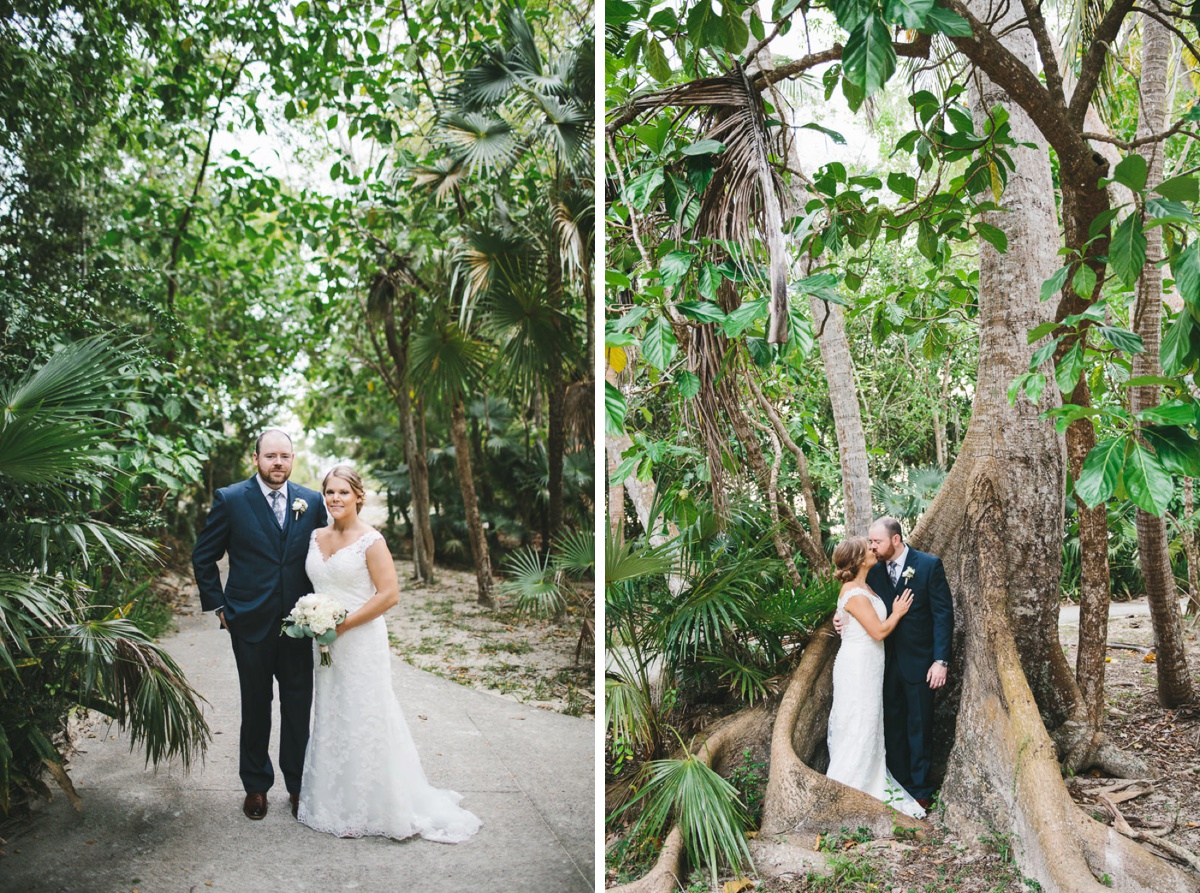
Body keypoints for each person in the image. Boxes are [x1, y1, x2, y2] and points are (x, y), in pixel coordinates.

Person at [297, 464, 481, 843]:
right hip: (325, 642)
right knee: (332, 715)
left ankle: (379, 804)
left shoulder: (371, 540)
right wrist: (313, 620)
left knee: (366, 714)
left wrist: (342, 625)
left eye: (343, 492)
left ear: (358, 497)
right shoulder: (315, 536)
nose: (335, 499)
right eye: (329, 492)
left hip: (359, 640)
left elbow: (389, 594)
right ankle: (333, 802)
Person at [191, 429, 328, 821]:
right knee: (255, 705)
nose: (278, 463)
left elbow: (324, 554)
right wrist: (219, 607)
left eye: (285, 456)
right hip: (248, 622)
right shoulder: (231, 499)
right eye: (270, 456)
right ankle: (256, 786)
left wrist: (325, 608)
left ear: (292, 459)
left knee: (298, 706)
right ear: (256, 459)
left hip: (300, 626)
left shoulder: (312, 501)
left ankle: (299, 786)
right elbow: (204, 557)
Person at [826, 536, 925, 818]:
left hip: (869, 665)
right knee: (857, 723)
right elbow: (879, 632)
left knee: (869, 723)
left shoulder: (863, 585)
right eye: (867, 548)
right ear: (858, 560)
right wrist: (897, 613)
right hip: (857, 667)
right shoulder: (855, 593)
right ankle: (849, 789)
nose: (872, 549)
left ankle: (870, 780)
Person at [864, 517, 953, 810]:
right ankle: (897, 784)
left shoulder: (928, 565)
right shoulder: (872, 570)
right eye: (870, 542)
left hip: (920, 663)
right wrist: (841, 618)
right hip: (883, 663)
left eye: (876, 541)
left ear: (896, 540)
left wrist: (940, 661)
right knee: (892, 725)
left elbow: (943, 616)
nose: (871, 546)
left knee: (919, 726)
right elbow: (859, 602)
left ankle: (919, 788)